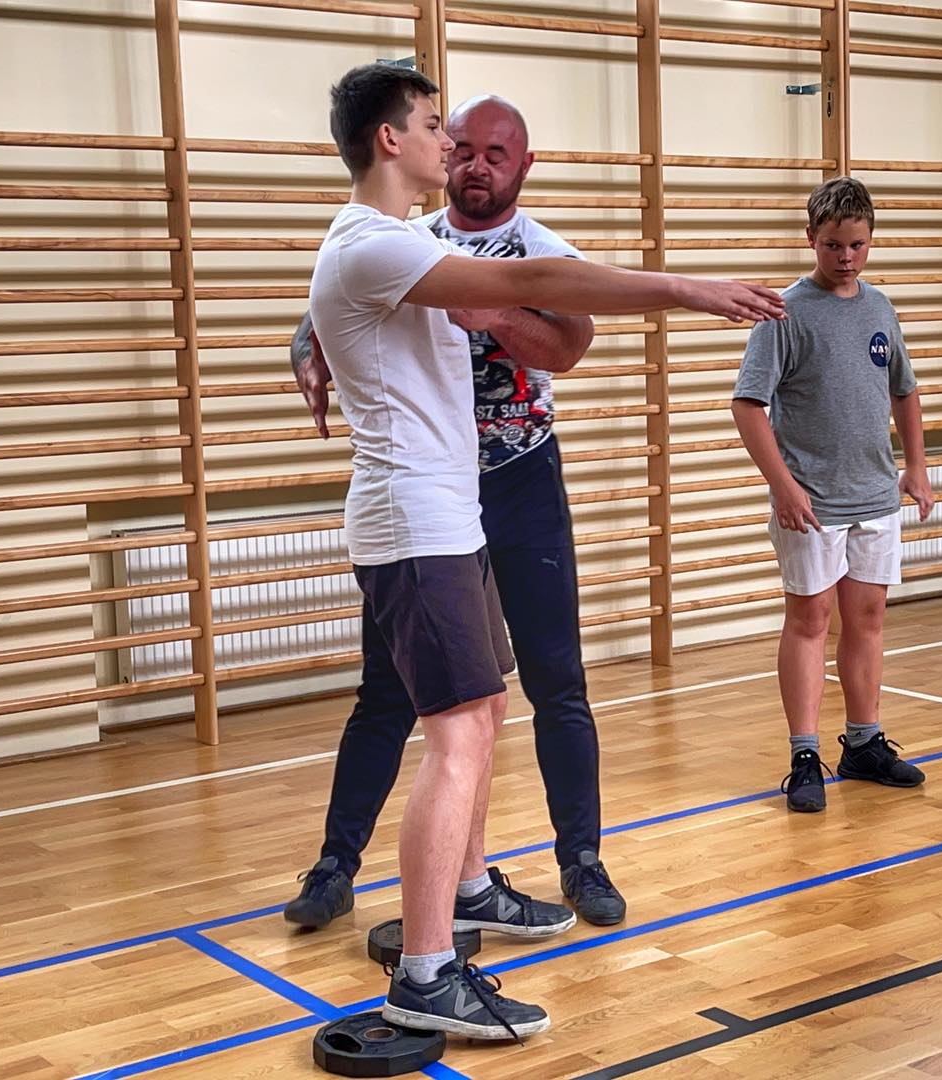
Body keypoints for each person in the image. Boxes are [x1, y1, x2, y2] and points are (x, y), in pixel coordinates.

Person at [306, 62, 784, 1041]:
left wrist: (306, 341)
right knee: (458, 735)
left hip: (453, 518)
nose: (449, 145)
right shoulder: (372, 245)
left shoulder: (398, 244)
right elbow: (528, 282)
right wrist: (685, 287)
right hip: (414, 523)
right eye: (433, 126)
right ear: (391, 140)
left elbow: (533, 314)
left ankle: (470, 889)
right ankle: (426, 973)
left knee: (484, 710)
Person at [285, 94, 627, 937]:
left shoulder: (542, 252)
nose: (472, 163)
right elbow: (336, 301)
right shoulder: (409, 234)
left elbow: (568, 347)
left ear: (524, 165)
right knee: (392, 692)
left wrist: (499, 311)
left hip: (517, 479)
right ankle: (336, 863)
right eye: (460, 144)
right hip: (431, 496)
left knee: (548, 682)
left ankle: (580, 858)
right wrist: (305, 343)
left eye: (494, 153)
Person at [731, 176, 933, 816]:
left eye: (857, 245)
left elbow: (904, 390)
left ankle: (864, 743)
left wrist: (916, 467)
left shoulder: (880, 308)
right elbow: (748, 405)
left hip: (875, 495)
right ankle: (803, 754)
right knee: (810, 621)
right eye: (832, 245)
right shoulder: (784, 314)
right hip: (812, 503)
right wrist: (783, 485)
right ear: (810, 240)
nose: (846, 257)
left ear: (871, 241)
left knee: (867, 619)